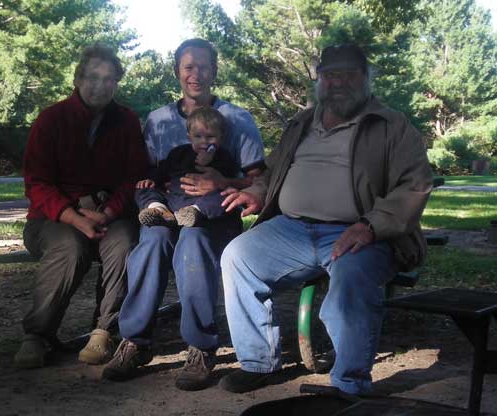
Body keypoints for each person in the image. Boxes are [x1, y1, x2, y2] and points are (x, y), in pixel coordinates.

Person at [218, 44, 433, 395]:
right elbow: (272, 171)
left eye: (349, 74)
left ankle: (349, 384)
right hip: (292, 229)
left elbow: (415, 184)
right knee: (237, 256)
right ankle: (259, 362)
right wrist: (258, 191)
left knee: (351, 275)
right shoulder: (302, 122)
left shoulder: (390, 124)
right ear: (319, 80)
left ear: (366, 79)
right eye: (331, 74)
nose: (339, 82)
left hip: (360, 230)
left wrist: (371, 225)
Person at [102, 38, 265, 391]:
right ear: (177, 71)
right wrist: (151, 198)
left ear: (215, 71)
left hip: (213, 217)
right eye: (189, 66)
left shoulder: (238, 118)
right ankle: (134, 341)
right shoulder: (159, 121)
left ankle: (201, 346)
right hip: (167, 211)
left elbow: (259, 179)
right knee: (152, 241)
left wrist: (224, 180)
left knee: (192, 242)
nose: (196, 74)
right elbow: (150, 173)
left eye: (204, 66)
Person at [14, 44, 148, 369]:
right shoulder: (51, 119)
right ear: (77, 78)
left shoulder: (127, 121)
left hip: (109, 215)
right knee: (70, 247)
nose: (100, 85)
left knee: (125, 242)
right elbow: (37, 183)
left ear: (117, 83)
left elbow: (134, 177)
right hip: (53, 218)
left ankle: (104, 330)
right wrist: (74, 217)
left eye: (109, 79)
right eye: (92, 77)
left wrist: (108, 213)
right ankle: (37, 335)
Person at [135, 106, 239, 228]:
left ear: (221, 137)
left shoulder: (223, 156)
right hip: (174, 199)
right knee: (141, 188)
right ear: (189, 137)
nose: (204, 141)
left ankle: (195, 212)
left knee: (226, 195)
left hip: (202, 201)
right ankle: (159, 210)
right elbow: (163, 170)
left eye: (210, 137)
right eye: (198, 136)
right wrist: (152, 180)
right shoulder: (178, 153)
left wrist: (211, 160)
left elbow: (230, 176)